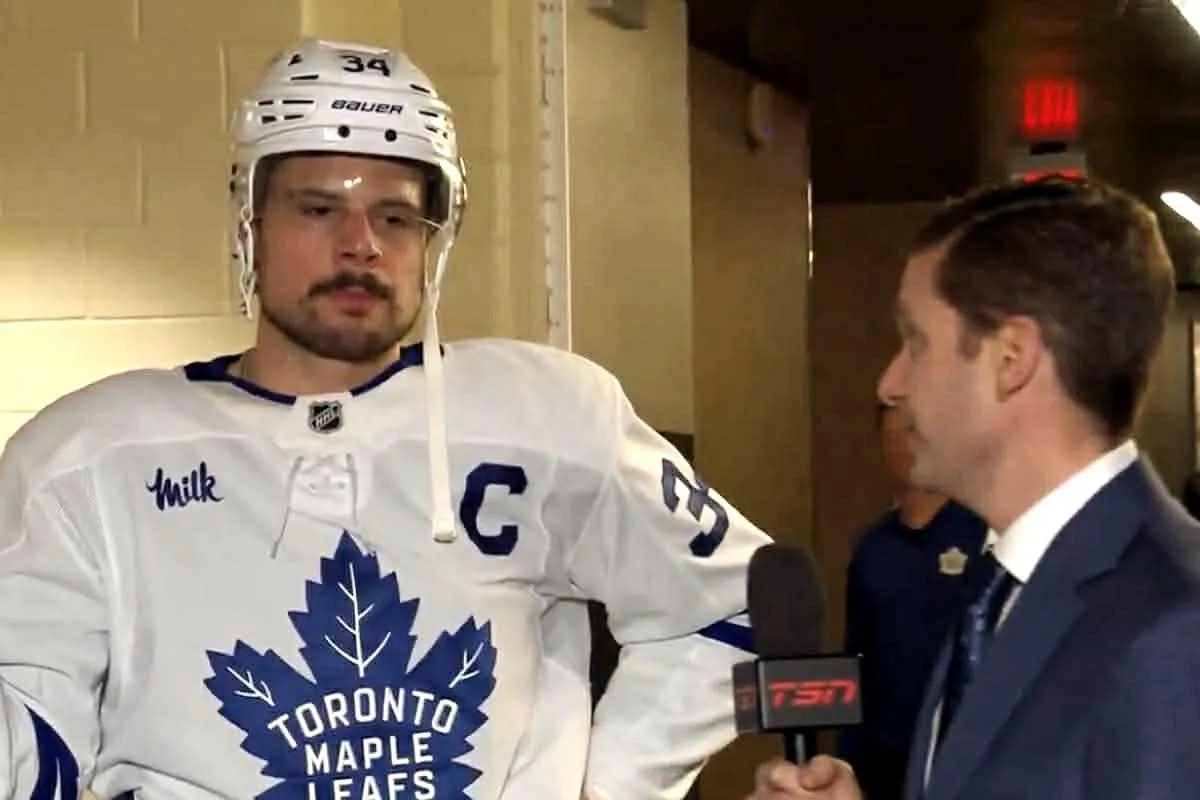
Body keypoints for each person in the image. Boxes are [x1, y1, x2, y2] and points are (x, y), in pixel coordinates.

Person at [0, 39, 776, 799]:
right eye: (318, 208)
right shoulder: (87, 459)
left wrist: (611, 786)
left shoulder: (551, 415)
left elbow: (732, 603)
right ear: (250, 223)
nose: (361, 244)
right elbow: (32, 724)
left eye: (396, 217)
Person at [748, 175, 1200, 800]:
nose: (890, 383)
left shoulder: (1173, 629)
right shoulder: (1000, 591)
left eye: (915, 342)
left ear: (1011, 359)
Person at [835, 403, 986, 800]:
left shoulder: (982, 537)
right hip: (881, 758)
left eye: (913, 432)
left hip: (956, 754)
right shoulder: (873, 548)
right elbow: (857, 658)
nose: (903, 447)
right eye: (892, 436)